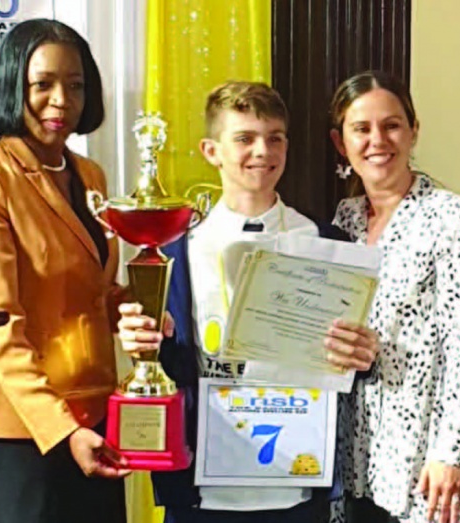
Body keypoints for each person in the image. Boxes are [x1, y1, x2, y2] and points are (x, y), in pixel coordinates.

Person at [116, 80, 380, 523]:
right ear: (211, 150)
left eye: (275, 137)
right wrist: (141, 342)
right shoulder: (173, 251)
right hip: (201, 488)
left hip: (298, 482)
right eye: (244, 138)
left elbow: (353, 363)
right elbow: (164, 359)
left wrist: (361, 354)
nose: (263, 150)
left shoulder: (327, 242)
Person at [0, 18, 129, 523]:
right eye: (42, 84)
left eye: (76, 85)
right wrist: (60, 427)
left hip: (95, 414)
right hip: (15, 431)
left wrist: (134, 310)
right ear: (11, 85)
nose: (61, 100)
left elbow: (90, 290)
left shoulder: (90, 175)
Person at [328, 71, 460, 523]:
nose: (377, 140)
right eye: (361, 129)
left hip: (434, 459)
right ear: (340, 142)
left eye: (391, 125)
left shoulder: (451, 216)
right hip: (361, 453)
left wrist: (453, 451)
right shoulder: (343, 222)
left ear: (413, 131)